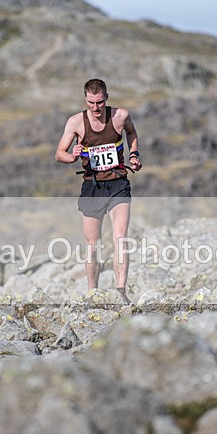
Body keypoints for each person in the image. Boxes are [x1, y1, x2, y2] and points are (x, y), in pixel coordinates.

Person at [55, 78, 141, 304]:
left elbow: (131, 134)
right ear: (85, 99)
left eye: (100, 102)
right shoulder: (76, 122)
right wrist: (71, 156)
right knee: (93, 245)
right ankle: (93, 293)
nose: (96, 107)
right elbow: (59, 153)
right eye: (91, 103)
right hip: (92, 186)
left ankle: (120, 291)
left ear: (107, 98)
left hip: (118, 182)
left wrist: (134, 155)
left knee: (120, 238)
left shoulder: (120, 116)